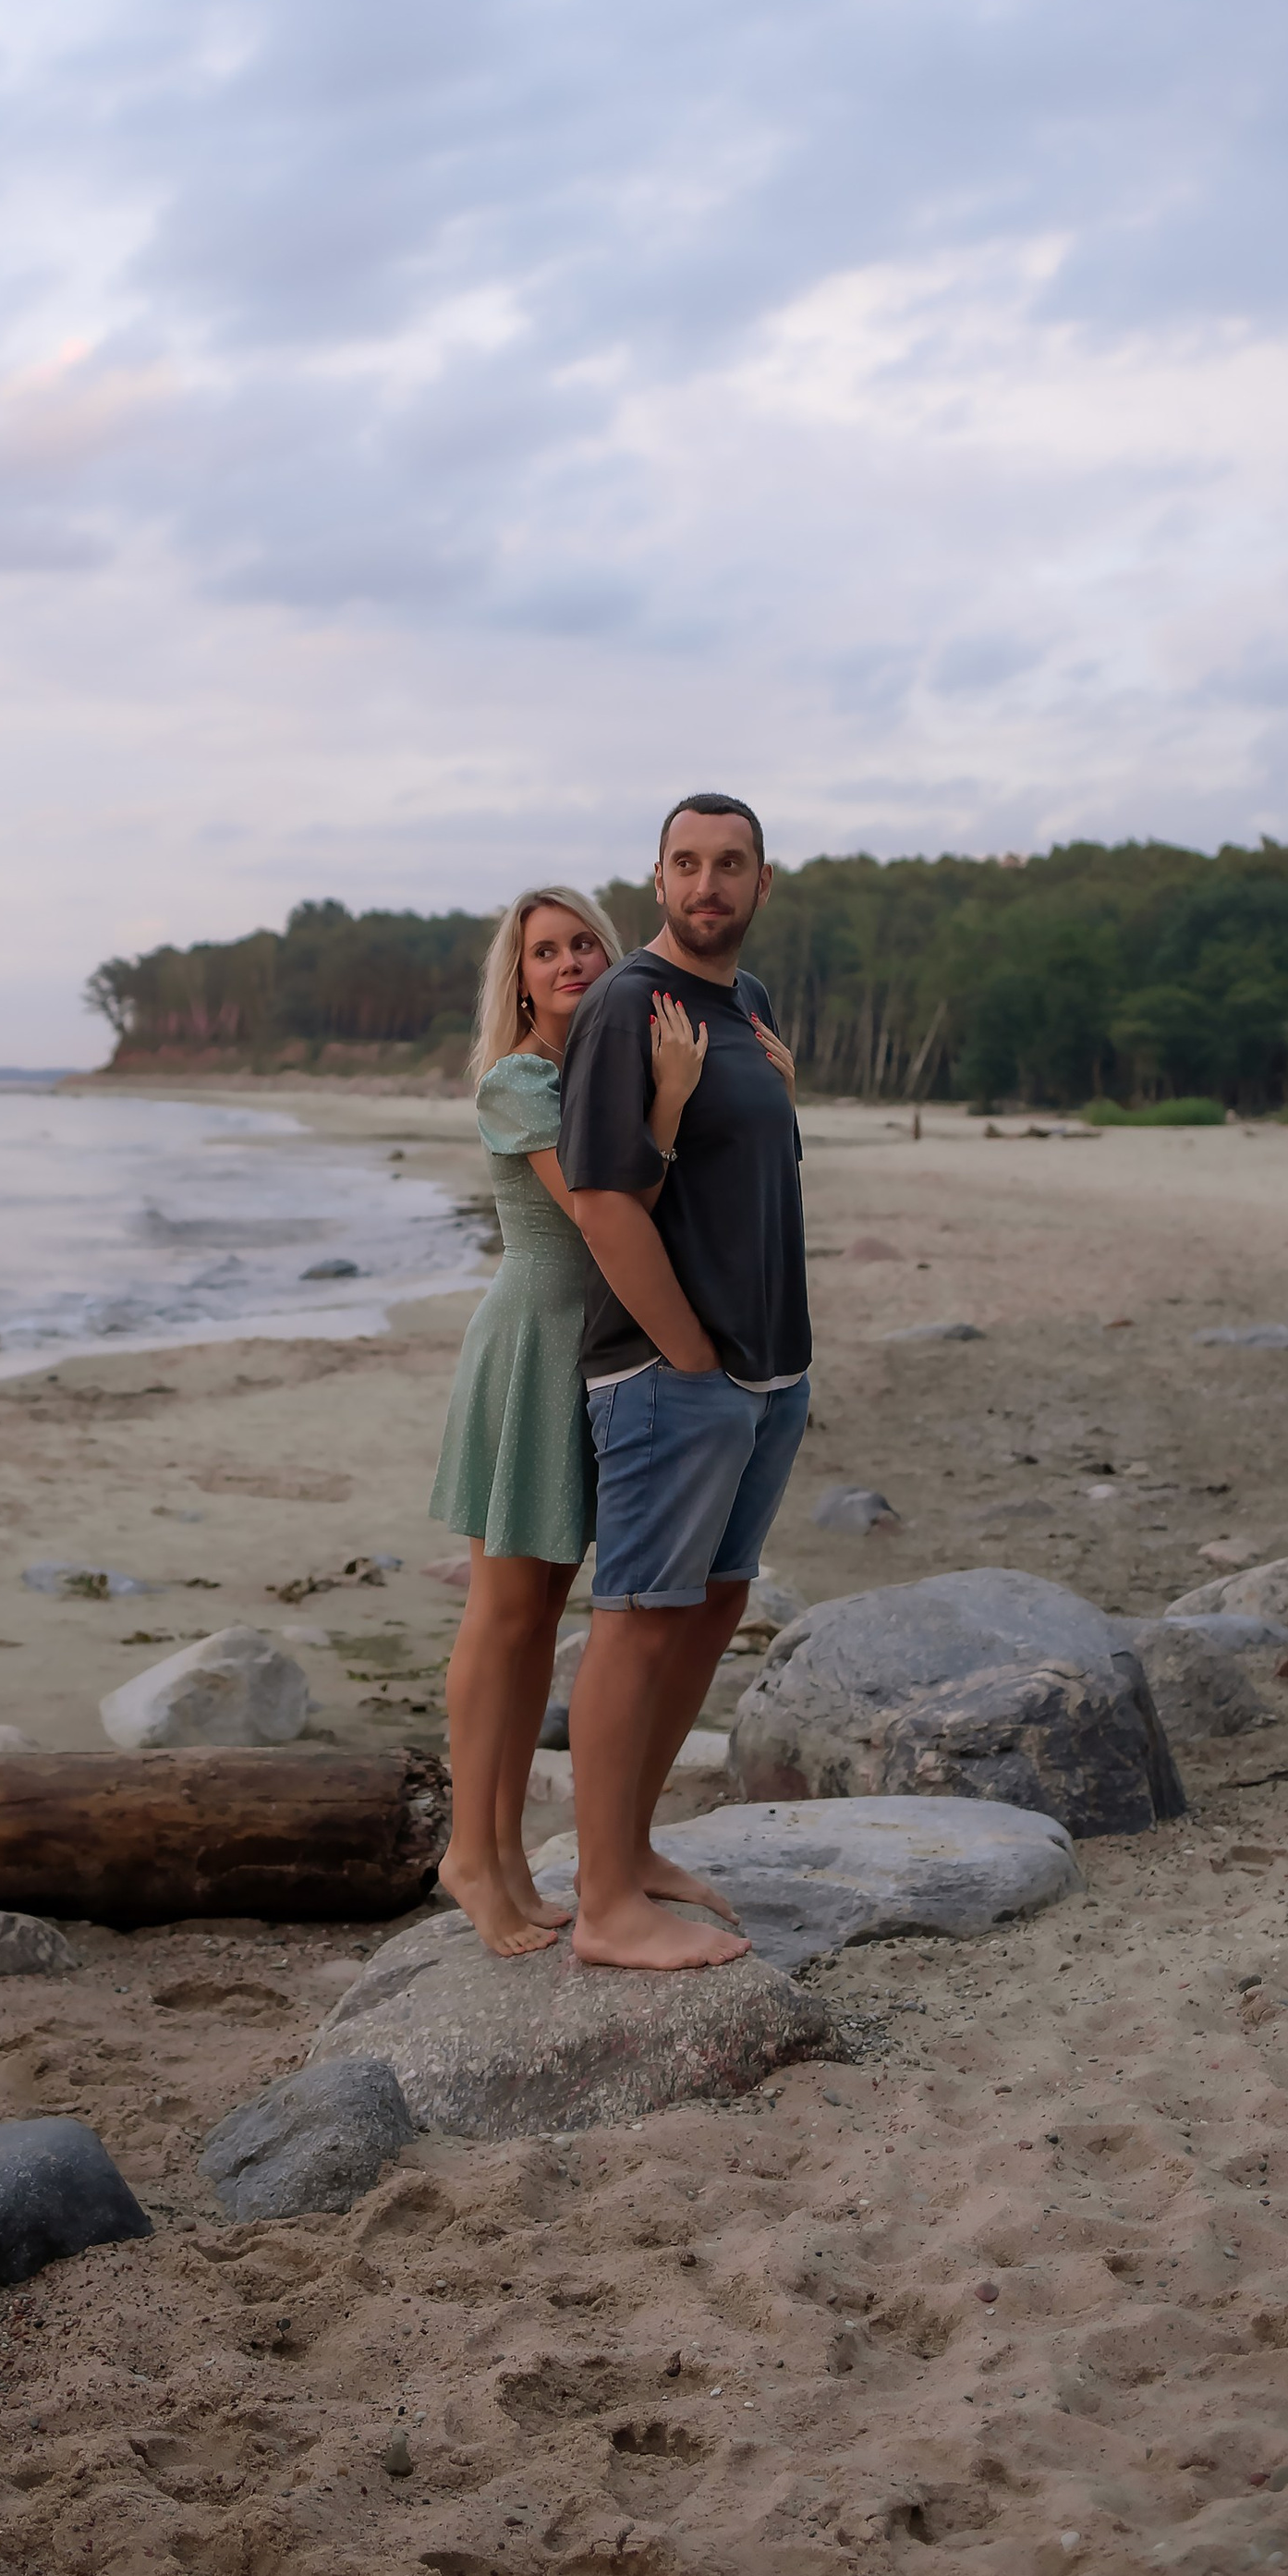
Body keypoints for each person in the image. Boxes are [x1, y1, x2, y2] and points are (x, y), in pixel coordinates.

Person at [429, 885, 709, 1954]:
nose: (568, 962)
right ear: (519, 976)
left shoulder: (598, 1068)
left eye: (584, 941)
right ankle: (472, 1854)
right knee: (502, 1616)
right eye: (544, 951)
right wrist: (670, 1105)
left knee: (540, 1619)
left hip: (585, 1351)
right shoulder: (518, 1080)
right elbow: (606, 1201)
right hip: (528, 1347)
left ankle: (502, 1854)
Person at [556, 796, 809, 1970]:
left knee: (712, 1606)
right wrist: (688, 1355)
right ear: (656, 881)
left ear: (764, 884)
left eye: (731, 864)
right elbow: (603, 1200)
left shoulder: (746, 1007)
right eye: (687, 864)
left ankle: (635, 1845)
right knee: (640, 1620)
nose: (709, 883)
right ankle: (604, 1905)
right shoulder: (625, 1005)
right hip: (674, 1372)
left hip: (768, 1369)